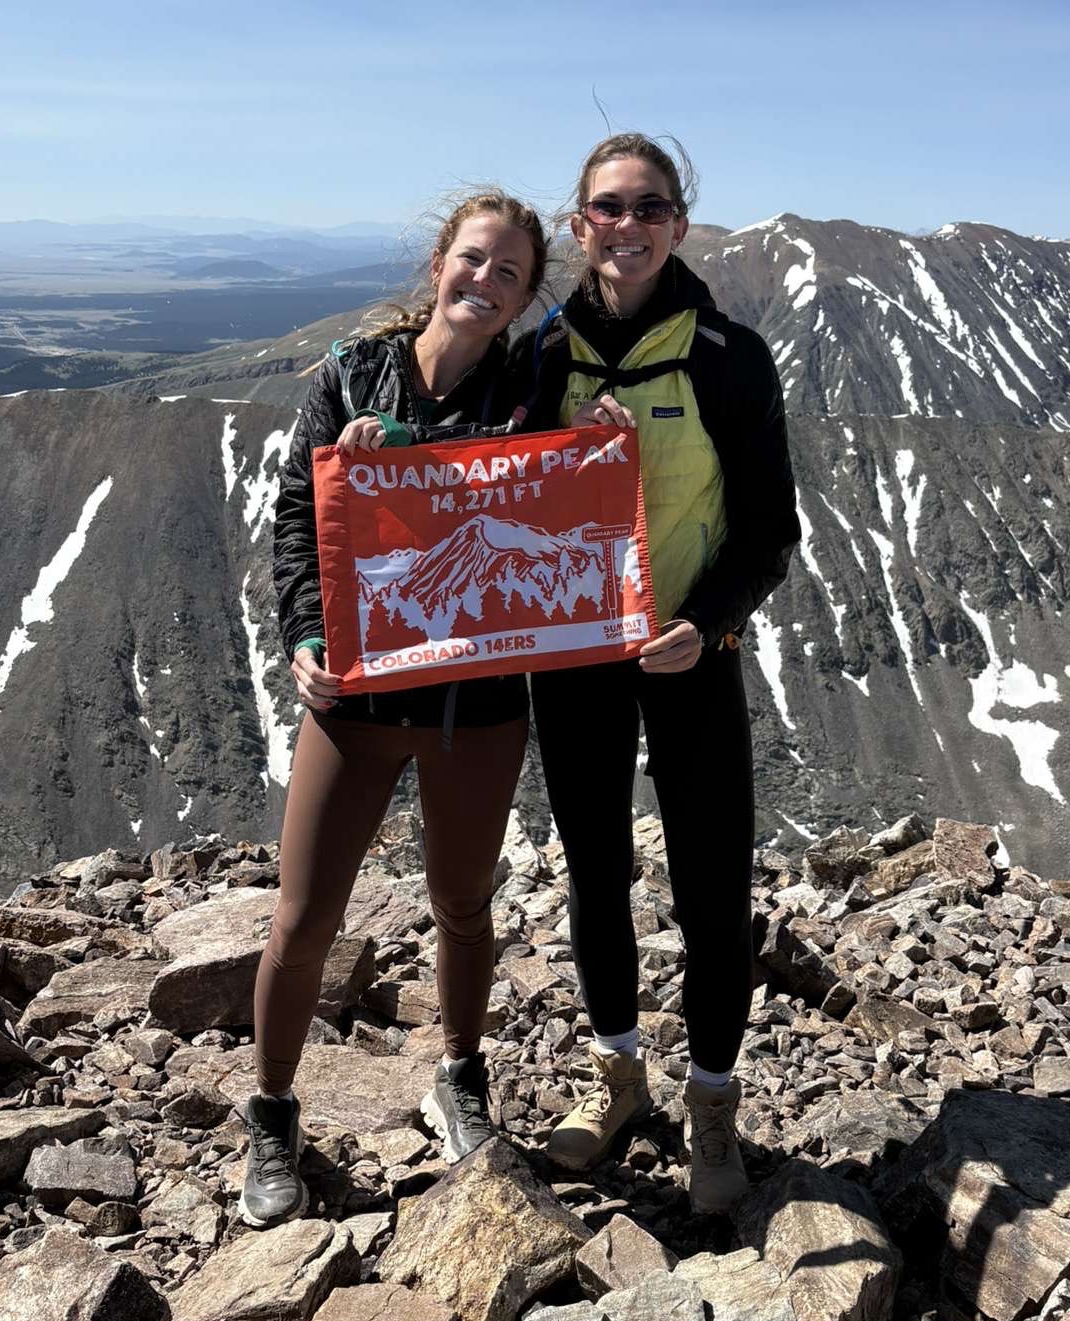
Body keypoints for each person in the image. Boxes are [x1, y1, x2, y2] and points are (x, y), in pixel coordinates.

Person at [241, 191, 548, 1229]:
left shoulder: (533, 387)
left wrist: (595, 442)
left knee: (464, 903)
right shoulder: (349, 375)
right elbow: (295, 515)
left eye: (508, 274)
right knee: (303, 918)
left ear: (523, 297)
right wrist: (304, 637)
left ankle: (461, 1077)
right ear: (437, 263)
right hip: (359, 695)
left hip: (478, 703)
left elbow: (562, 505)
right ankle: (273, 1111)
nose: (484, 282)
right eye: (473, 261)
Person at [509, 135, 800, 1213]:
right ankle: (619, 1079)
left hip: (689, 653)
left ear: (678, 224)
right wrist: (377, 436)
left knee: (714, 888)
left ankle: (712, 1108)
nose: (625, 225)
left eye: (648, 207)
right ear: (578, 227)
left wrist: (709, 623)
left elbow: (771, 528)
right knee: (595, 874)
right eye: (605, 209)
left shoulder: (726, 354)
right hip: (574, 656)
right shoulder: (543, 357)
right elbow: (481, 486)